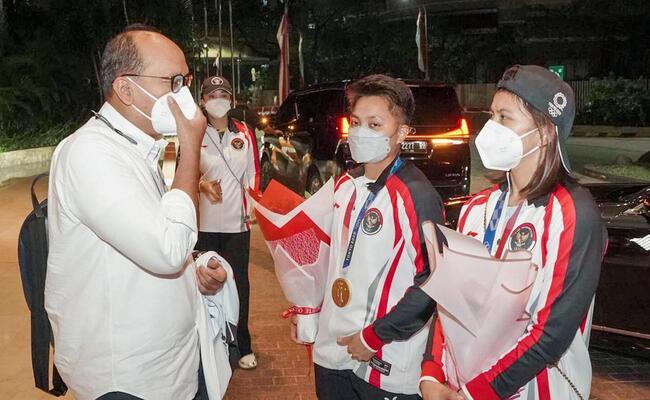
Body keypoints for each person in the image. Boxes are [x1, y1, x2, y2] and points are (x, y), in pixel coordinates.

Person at [45, 25, 226, 400]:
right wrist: (192, 145)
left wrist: (193, 272)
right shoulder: (91, 154)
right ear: (125, 89)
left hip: (170, 369)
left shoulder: (141, 149)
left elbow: (151, 237)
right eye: (173, 82)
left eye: (186, 80)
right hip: (127, 379)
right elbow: (164, 250)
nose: (185, 95)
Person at [419, 65, 607, 400]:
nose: (491, 128)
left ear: (545, 131)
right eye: (492, 116)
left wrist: (480, 392)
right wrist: (432, 371)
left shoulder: (573, 214)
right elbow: (450, 300)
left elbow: (552, 332)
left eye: (505, 118)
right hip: (460, 387)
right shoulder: (478, 207)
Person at [292, 74, 444, 399]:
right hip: (334, 350)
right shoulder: (345, 185)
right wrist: (307, 308)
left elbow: (433, 283)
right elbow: (325, 260)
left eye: (375, 125)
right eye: (356, 122)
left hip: (386, 358)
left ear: (401, 132)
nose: (360, 133)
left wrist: (375, 336)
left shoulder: (416, 195)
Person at [196, 76, 261, 369]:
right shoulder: (194, 133)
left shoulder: (245, 133)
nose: (218, 99)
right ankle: (209, 342)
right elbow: (179, 175)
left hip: (237, 223)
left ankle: (242, 343)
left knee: (239, 284)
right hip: (204, 225)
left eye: (223, 94)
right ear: (203, 101)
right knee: (205, 283)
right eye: (212, 95)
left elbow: (253, 175)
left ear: (231, 100)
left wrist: (255, 207)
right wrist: (201, 185)